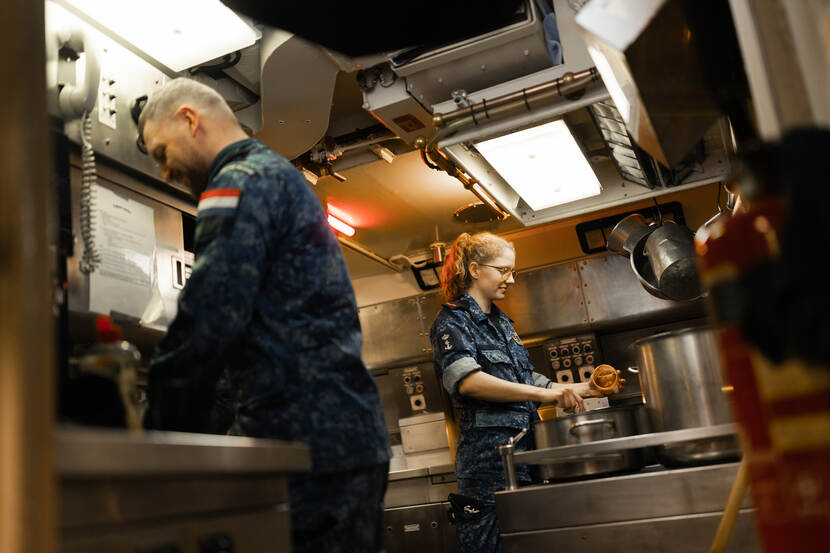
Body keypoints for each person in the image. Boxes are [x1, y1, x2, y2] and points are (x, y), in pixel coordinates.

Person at [138, 78, 390, 553]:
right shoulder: (278, 176)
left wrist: (155, 441)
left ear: (189, 120)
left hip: (306, 448)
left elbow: (210, 316)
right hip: (341, 439)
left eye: (160, 151)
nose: (165, 172)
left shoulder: (237, 182)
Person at [431, 232, 620, 553]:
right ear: (475, 269)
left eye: (512, 271)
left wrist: (585, 389)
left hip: (525, 458)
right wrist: (544, 397)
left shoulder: (503, 324)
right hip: (487, 468)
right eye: (503, 270)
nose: (511, 279)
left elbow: (529, 379)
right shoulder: (452, 322)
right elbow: (468, 382)